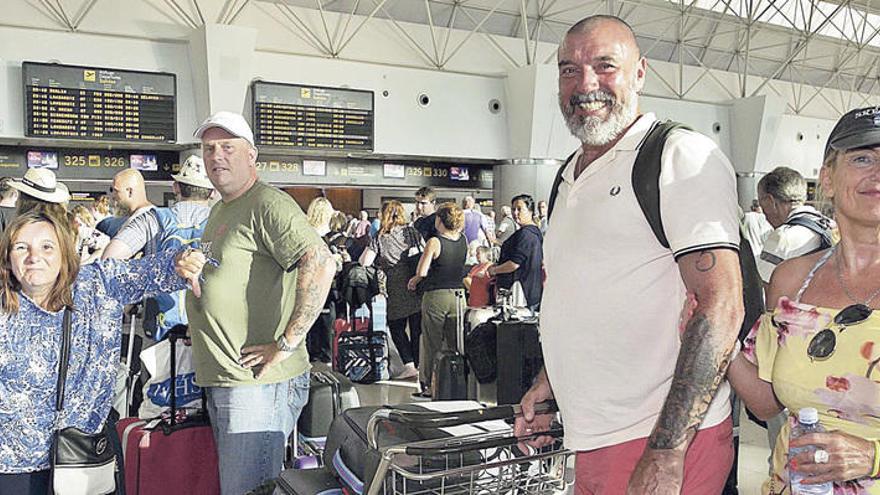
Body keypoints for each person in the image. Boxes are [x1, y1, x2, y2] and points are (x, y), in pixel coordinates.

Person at [516, 15, 743, 494]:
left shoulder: (678, 155)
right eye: (569, 70)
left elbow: (721, 308)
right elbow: (580, 294)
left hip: (661, 440)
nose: (586, 84)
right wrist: (549, 381)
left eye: (604, 66)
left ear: (640, 73)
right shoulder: (568, 176)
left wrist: (665, 451)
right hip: (593, 436)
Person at [727, 106, 880, 494]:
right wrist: (716, 337)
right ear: (827, 179)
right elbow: (766, 402)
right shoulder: (792, 280)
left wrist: (872, 456)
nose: (878, 172)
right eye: (863, 158)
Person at [0, 210, 205, 494]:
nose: (34, 257)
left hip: (82, 460)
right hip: (11, 467)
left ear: (64, 254)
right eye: (21, 248)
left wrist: (181, 262)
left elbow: (154, 271)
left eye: (47, 247)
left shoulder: (98, 285)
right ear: (8, 259)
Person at [187, 111, 336, 494]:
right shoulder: (221, 207)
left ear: (251, 155)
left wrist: (286, 343)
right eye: (209, 148)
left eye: (227, 147)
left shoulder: (268, 203)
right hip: (226, 378)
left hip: (257, 384)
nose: (216, 156)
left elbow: (320, 261)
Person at [102, 156, 214, 261]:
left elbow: (109, 260)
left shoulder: (151, 219)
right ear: (212, 193)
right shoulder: (224, 222)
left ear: (175, 188)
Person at [407, 202, 467, 398]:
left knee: (432, 343)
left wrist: (414, 281)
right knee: (455, 343)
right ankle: (456, 382)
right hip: (459, 296)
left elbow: (422, 271)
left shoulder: (435, 242)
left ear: (439, 220)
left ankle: (431, 386)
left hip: (436, 296)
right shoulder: (463, 240)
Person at [360, 200, 423, 380]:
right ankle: (419, 364)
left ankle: (409, 364)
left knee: (396, 326)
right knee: (416, 326)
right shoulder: (411, 231)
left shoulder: (380, 236)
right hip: (414, 278)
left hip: (394, 283)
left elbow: (365, 262)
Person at [757, 166, 834, 288]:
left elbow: (767, 293)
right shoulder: (832, 226)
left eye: (762, 204)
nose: (765, 215)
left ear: (770, 201)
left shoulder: (782, 237)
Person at [487, 194, 544, 310]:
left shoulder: (526, 234)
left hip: (520, 293)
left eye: (519, 209)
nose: (515, 213)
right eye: (513, 209)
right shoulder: (534, 233)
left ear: (530, 211)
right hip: (529, 291)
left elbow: (514, 264)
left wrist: (494, 270)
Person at [305, 197, 337, 363]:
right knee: (324, 322)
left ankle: (313, 352)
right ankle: (324, 353)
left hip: (306, 287)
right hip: (322, 288)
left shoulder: (306, 233)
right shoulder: (322, 239)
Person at [107, 169, 155, 239]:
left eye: (116, 191)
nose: (113, 196)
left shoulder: (137, 222)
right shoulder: (157, 216)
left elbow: (119, 249)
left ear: (130, 192)